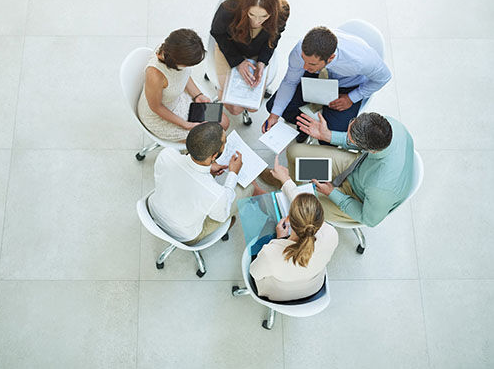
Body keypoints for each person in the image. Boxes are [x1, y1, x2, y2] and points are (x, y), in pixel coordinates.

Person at [263, 26, 392, 143]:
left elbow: (384, 77)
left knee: (329, 138)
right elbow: (290, 81)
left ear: (330, 58)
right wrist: (274, 116)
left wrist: (352, 97)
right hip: (317, 76)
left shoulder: (360, 60)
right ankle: (305, 128)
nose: (304, 66)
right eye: (303, 60)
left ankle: (317, 128)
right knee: (274, 107)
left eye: (311, 64)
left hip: (347, 87)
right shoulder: (301, 51)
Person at [286, 111, 414, 226]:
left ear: (371, 150)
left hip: (358, 197)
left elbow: (369, 220)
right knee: (294, 151)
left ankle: (288, 190)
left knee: (297, 205)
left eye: (351, 139)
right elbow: (359, 139)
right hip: (357, 165)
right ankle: (289, 182)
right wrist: (328, 136)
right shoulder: (388, 125)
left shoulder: (381, 189)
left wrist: (332, 193)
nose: (347, 137)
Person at [148, 122, 265, 245]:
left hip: (154, 210)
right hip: (185, 235)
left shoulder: (166, 154)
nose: (226, 144)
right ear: (214, 156)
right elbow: (221, 216)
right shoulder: (216, 194)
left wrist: (208, 167)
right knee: (249, 187)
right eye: (225, 143)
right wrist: (233, 174)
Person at [249, 156, 338, 301]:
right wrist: (286, 180)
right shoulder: (331, 234)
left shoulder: (270, 252)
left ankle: (255, 189)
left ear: (288, 219)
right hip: (313, 288)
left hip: (279, 295)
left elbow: (254, 272)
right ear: (320, 219)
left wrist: (279, 239)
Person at [210, 0, 290, 117]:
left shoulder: (283, 11)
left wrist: (262, 61)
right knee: (235, 109)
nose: (257, 22)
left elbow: (274, 37)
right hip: (230, 48)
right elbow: (217, 33)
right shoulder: (228, 8)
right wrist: (237, 62)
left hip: (257, 51)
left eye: (264, 16)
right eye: (251, 15)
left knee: (253, 107)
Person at [137, 29, 229, 142]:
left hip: (179, 98)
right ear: (177, 61)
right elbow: (156, 107)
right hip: (160, 115)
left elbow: (183, 75)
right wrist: (185, 125)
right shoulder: (155, 75)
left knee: (224, 122)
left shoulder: (171, 49)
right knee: (211, 138)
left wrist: (197, 95)